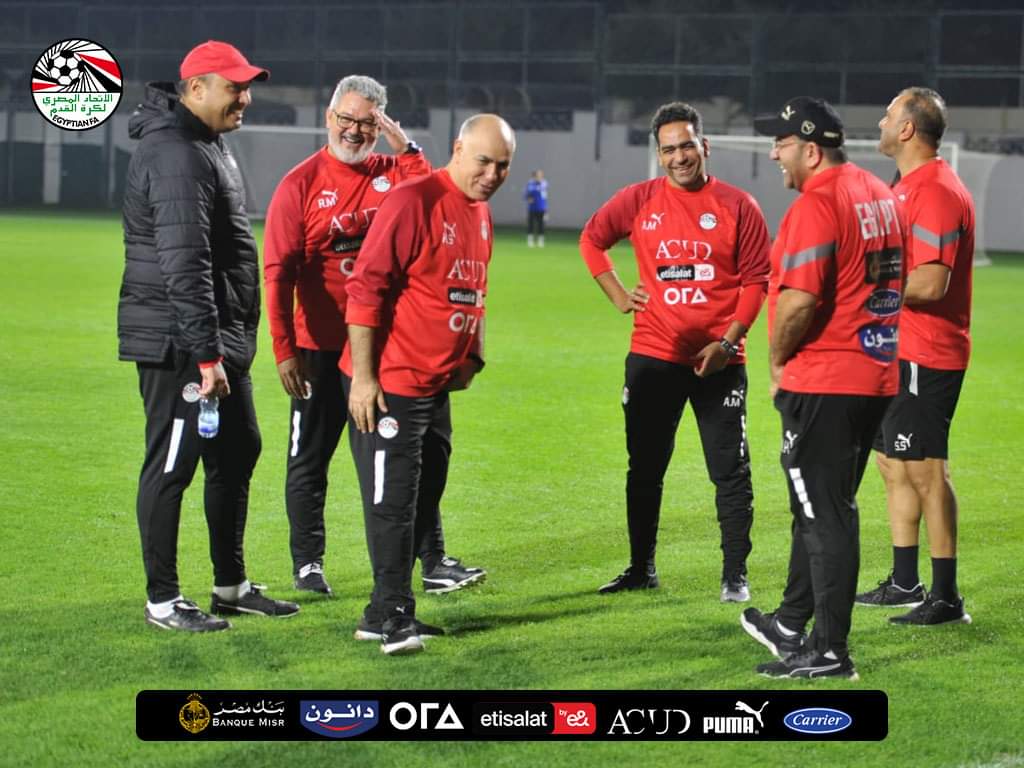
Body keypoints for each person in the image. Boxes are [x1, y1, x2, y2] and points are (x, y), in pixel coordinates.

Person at [264, 75, 481, 599]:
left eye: (367, 123)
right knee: (309, 457)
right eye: (346, 119)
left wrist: (405, 147)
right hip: (319, 347)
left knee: (413, 457)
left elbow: (435, 201)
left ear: (381, 125)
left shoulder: (395, 174)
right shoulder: (299, 184)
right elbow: (278, 272)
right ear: (329, 118)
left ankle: (431, 560)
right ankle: (308, 564)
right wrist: (284, 348)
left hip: (388, 348)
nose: (354, 131)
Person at [118, 40, 298, 632]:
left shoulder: (204, 144)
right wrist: (205, 355)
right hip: (182, 346)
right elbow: (185, 262)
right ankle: (163, 600)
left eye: (247, 87)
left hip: (215, 339)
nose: (245, 98)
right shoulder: (177, 153)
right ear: (195, 88)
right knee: (172, 464)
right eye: (234, 87)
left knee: (238, 448)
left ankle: (231, 586)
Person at [739, 97, 904, 679]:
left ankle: (831, 651)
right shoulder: (879, 193)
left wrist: (777, 363)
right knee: (824, 506)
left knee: (824, 516)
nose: (774, 154)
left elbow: (799, 301)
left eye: (781, 144)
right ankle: (791, 624)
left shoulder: (817, 204)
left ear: (810, 151)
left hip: (827, 379)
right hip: (874, 374)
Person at [579, 102, 770, 603]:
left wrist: (728, 343)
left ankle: (734, 575)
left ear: (704, 146)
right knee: (644, 468)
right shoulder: (638, 199)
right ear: (659, 154)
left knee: (730, 471)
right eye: (669, 150)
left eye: (687, 146)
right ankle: (641, 568)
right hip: (653, 356)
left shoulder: (739, 206)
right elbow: (592, 241)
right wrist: (619, 294)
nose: (679, 157)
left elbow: (757, 282)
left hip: (720, 363)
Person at [340, 114, 516, 655]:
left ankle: (379, 612)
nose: (492, 174)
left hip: (435, 386)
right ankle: (395, 613)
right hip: (391, 381)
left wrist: (473, 354)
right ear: (458, 149)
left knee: (424, 493)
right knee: (392, 501)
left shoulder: (479, 213)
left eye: (502, 165)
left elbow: (474, 290)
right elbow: (365, 289)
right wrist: (364, 378)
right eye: (483, 161)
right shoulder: (413, 200)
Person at [855, 87, 974, 626]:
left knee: (927, 471)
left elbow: (930, 282)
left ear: (907, 129)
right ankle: (905, 581)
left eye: (887, 115)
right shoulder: (905, 186)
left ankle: (946, 598)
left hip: (928, 353)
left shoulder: (937, 191)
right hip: (895, 350)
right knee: (894, 464)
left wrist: (865, 289)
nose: (880, 122)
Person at [524, 169, 548, 247]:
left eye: (541, 175)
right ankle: (530, 240)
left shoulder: (544, 183)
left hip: (541, 208)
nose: (539, 177)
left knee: (541, 225)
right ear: (534, 176)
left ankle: (541, 240)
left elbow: (544, 196)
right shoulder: (530, 184)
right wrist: (529, 198)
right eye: (538, 175)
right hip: (532, 208)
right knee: (531, 224)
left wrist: (546, 209)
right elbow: (526, 194)